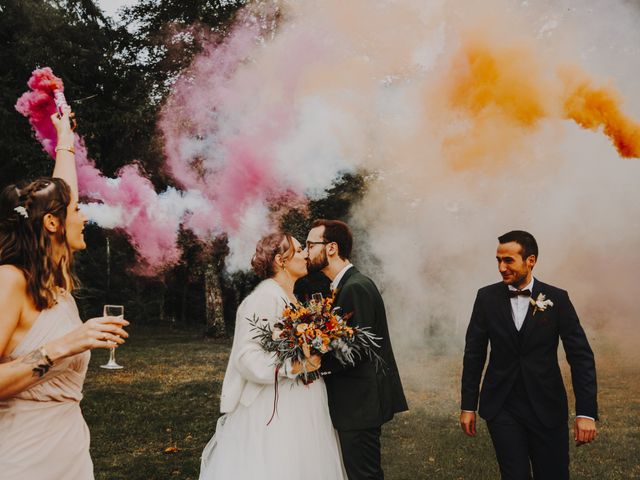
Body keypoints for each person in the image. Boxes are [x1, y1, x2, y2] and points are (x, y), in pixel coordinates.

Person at [0, 106, 129, 479]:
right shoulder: (11, 280)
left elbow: (59, 195)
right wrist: (65, 345)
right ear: (54, 223)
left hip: (68, 450)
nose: (84, 216)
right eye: (76, 209)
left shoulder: (55, 284)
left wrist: (65, 141)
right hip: (22, 457)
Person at [199, 232, 346, 480]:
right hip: (275, 409)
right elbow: (246, 357)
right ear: (281, 260)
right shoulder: (264, 297)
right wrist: (294, 366)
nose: (305, 255)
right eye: (299, 250)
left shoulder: (291, 297)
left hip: (302, 401)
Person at [460, 230, 598, 479]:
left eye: (508, 260)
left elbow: (581, 357)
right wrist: (468, 405)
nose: (501, 267)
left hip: (547, 406)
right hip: (502, 406)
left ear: (530, 260)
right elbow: (474, 354)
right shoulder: (486, 298)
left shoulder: (558, 299)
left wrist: (585, 413)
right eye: (498, 260)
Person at [305, 219, 408, 480]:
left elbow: (357, 350)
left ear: (331, 248)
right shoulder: (344, 286)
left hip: (359, 405)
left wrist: (314, 365)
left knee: (364, 475)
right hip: (356, 403)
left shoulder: (355, 287)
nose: (306, 252)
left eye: (309, 245)